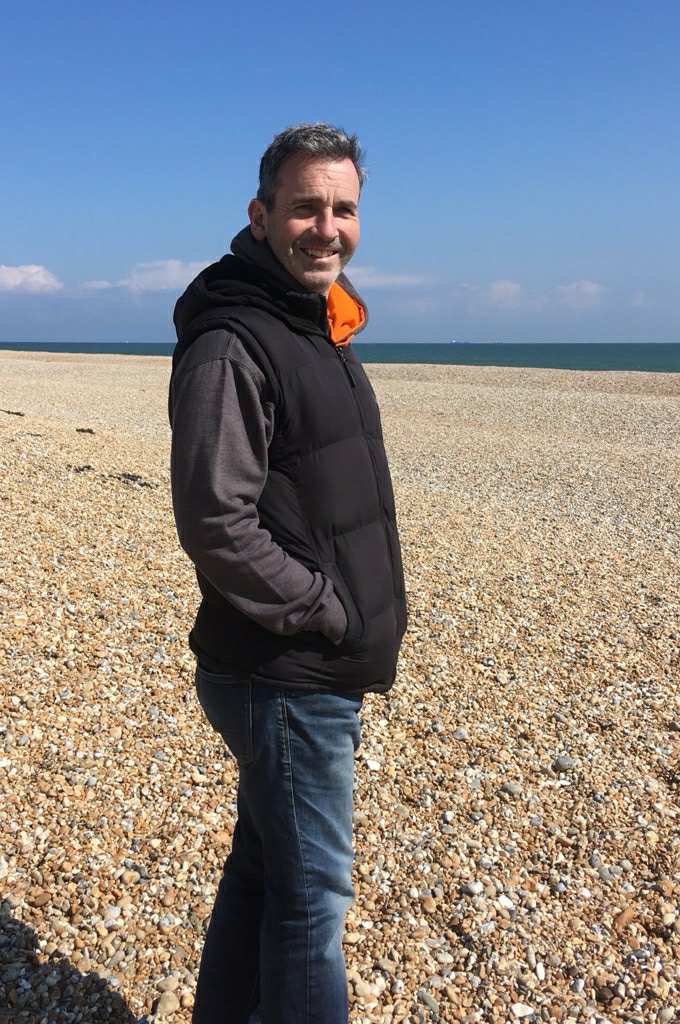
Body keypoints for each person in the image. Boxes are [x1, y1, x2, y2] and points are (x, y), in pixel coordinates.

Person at [168, 123, 407, 1024]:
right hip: (283, 670)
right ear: (261, 214)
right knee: (313, 904)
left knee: (264, 867)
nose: (328, 228)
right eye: (306, 207)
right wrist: (323, 611)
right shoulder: (236, 341)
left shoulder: (316, 322)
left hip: (295, 666)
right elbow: (216, 521)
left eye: (344, 209)